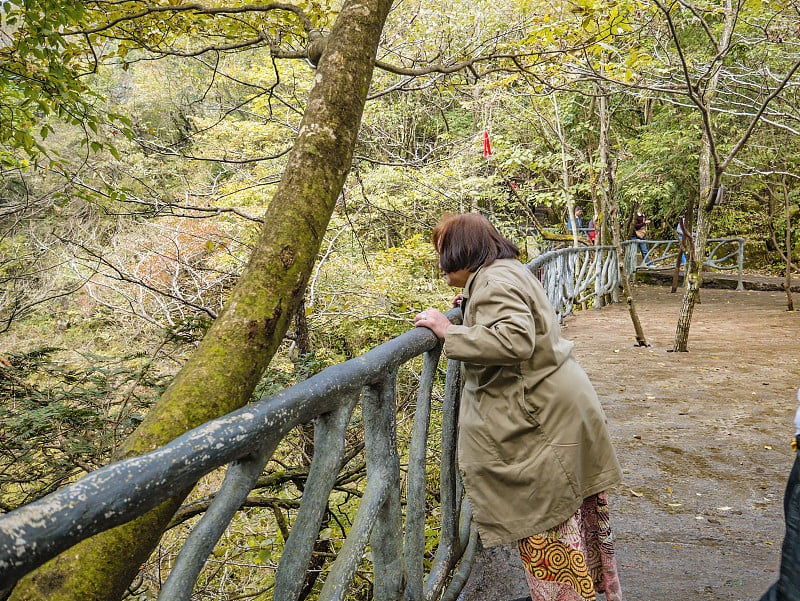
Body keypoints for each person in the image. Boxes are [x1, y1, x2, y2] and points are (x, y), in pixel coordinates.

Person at [414, 213, 624, 601]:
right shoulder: (504, 272)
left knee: (550, 527)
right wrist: (471, 303)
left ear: (463, 251)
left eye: (442, 250)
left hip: (543, 420)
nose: (439, 260)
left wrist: (449, 330)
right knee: (574, 523)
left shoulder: (494, 281)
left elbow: (515, 341)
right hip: (559, 407)